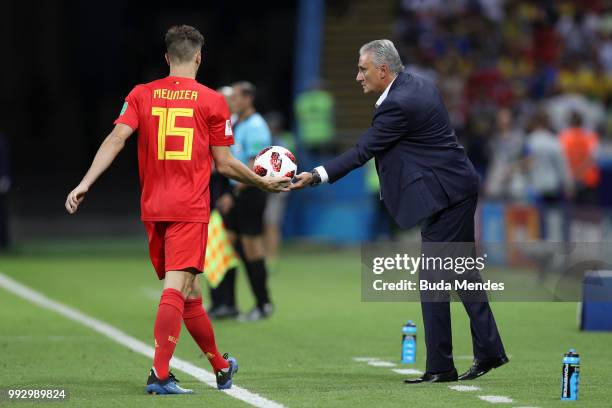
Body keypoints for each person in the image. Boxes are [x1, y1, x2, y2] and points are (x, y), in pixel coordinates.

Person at [64, 25, 289, 394]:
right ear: (199, 56)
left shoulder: (140, 94)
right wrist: (262, 182)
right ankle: (160, 374)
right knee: (176, 287)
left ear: (167, 58)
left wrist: (86, 182)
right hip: (189, 207)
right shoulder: (213, 101)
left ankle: (220, 366)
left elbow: (116, 138)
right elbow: (226, 163)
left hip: (153, 207)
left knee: (190, 291)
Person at [291, 39, 507, 383]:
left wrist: (317, 174)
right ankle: (490, 351)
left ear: (382, 70)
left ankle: (441, 367)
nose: (358, 76)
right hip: (454, 188)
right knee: (462, 273)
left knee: (433, 278)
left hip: (448, 196)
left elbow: (363, 150)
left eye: (362, 69)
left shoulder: (399, 104)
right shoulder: (417, 85)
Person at [559, 111, 600, 206]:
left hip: (571, 179)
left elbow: (561, 159)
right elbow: (593, 158)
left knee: (571, 212)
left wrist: (574, 174)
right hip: (587, 179)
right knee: (587, 213)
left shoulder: (563, 137)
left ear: (570, 123)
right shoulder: (591, 136)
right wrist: (580, 172)